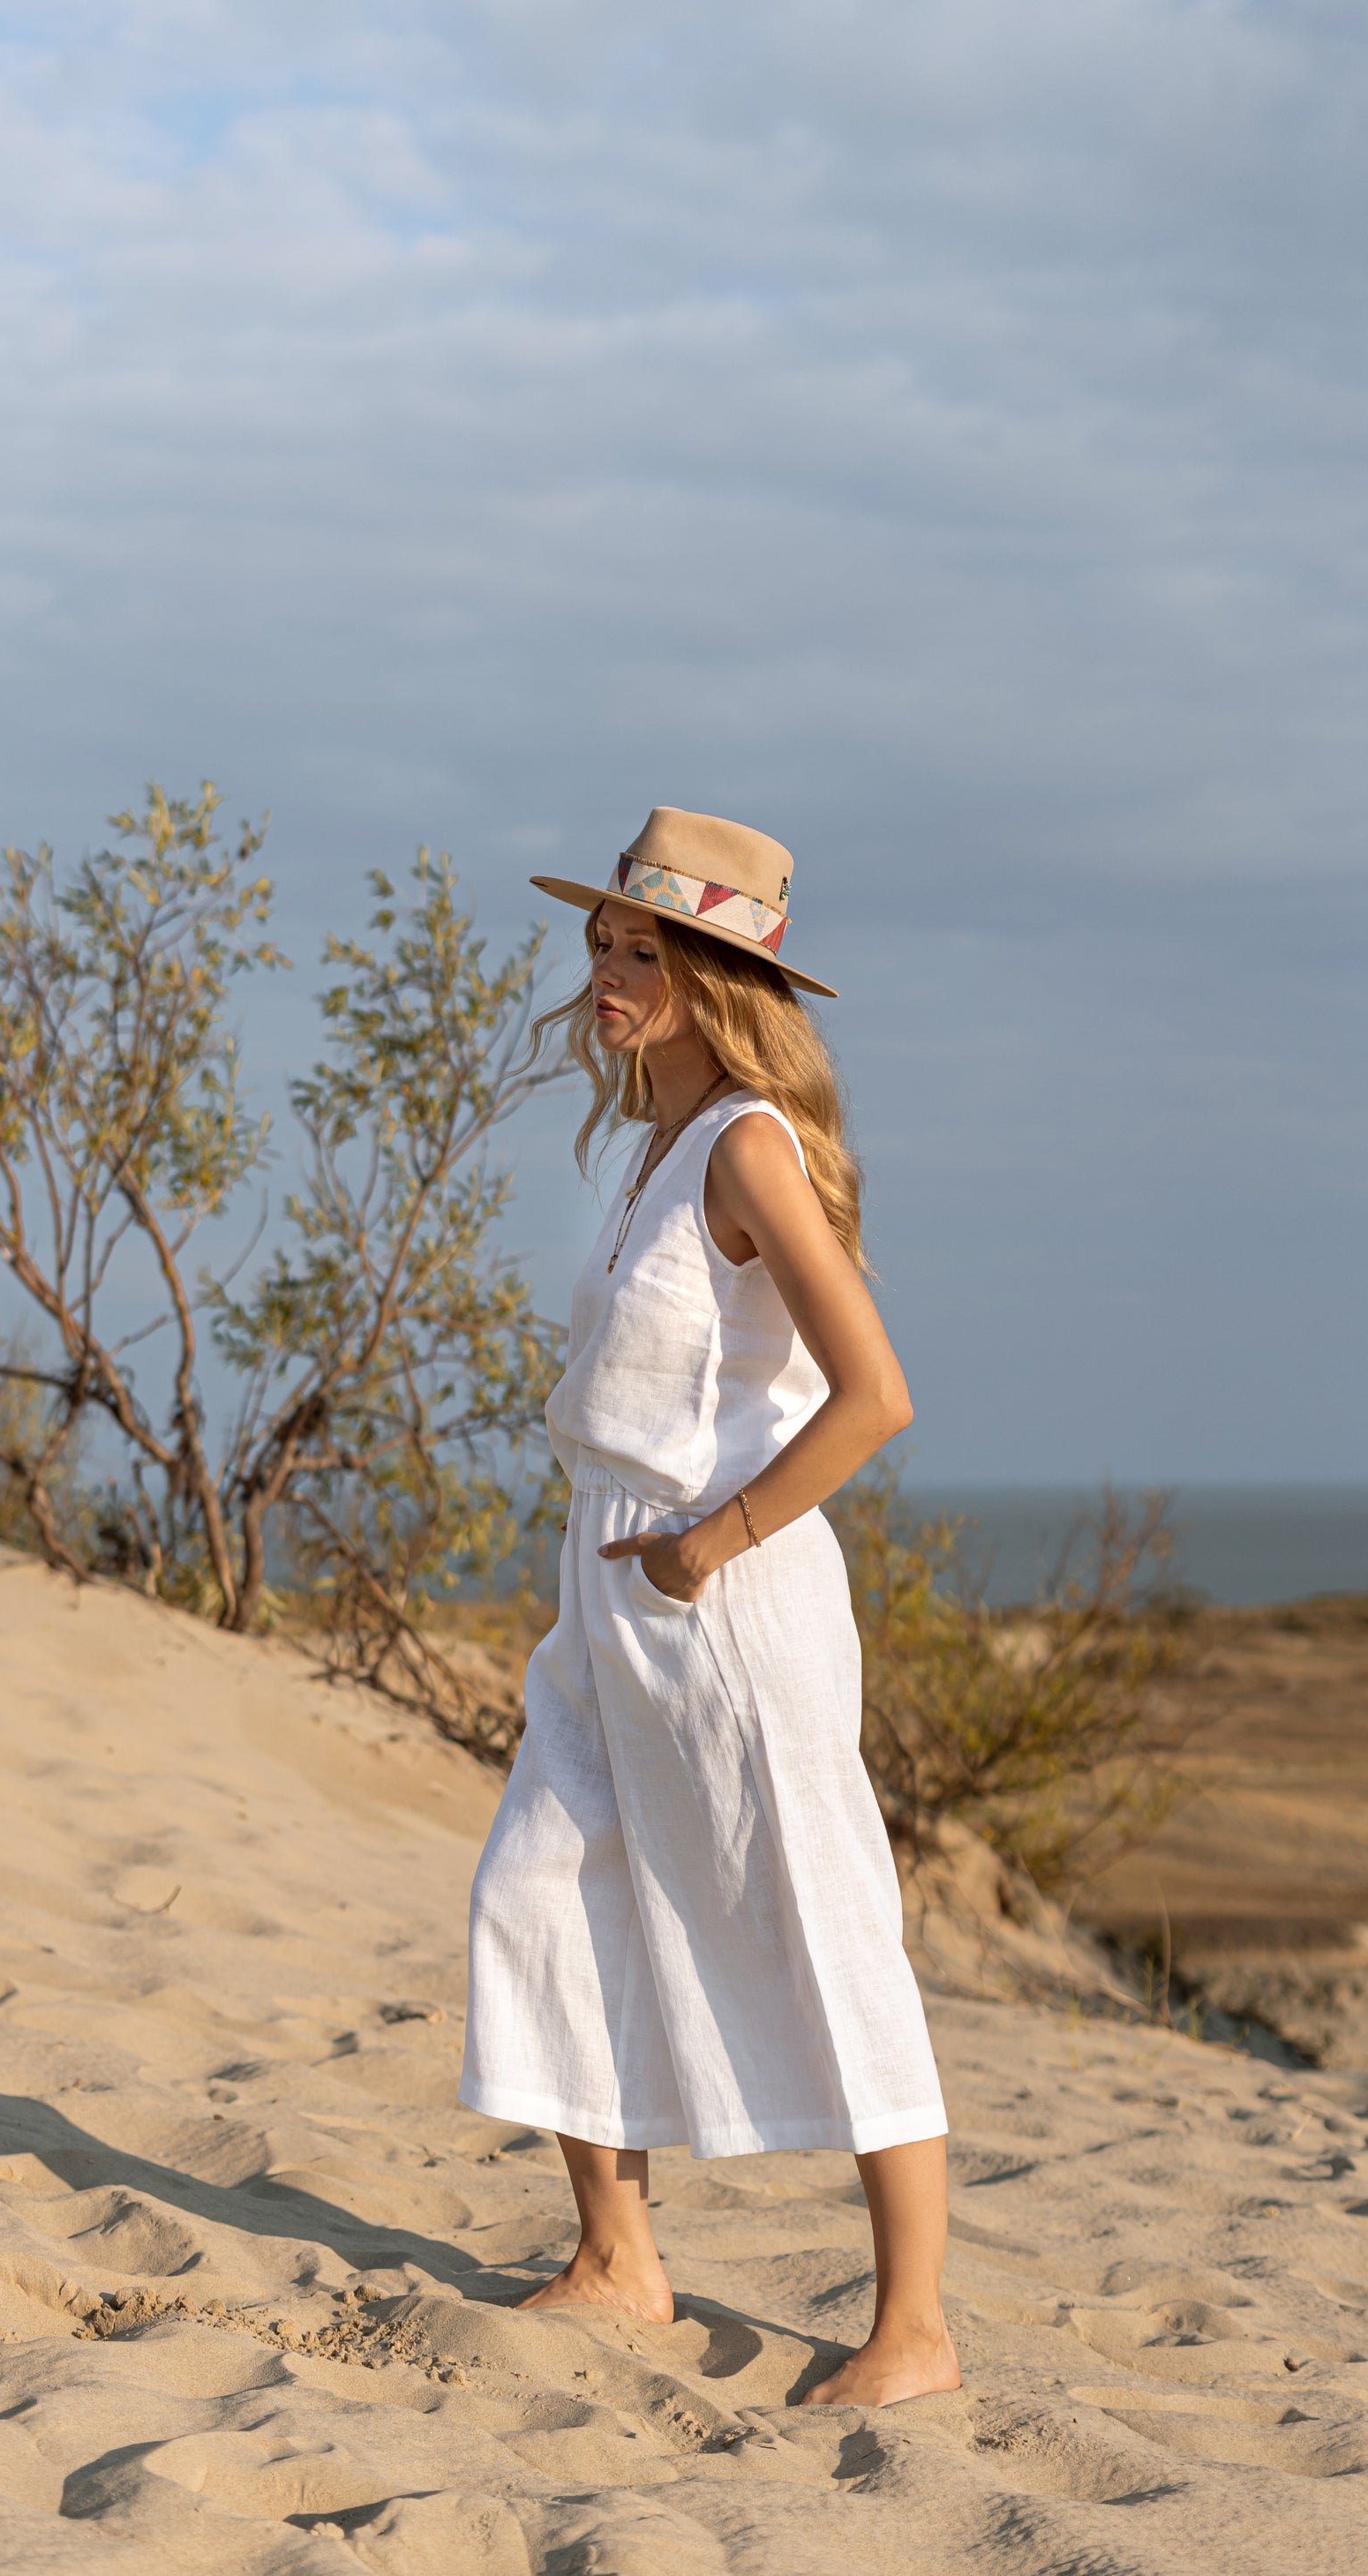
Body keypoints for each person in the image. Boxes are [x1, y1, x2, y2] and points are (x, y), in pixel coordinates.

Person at [460, 807, 958, 2408]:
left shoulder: (747, 1140)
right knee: (543, 1889)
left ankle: (918, 2332)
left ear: (717, 977)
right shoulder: (652, 1148)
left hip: (723, 1601)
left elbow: (874, 1394)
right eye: (604, 941)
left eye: (645, 950)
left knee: (821, 1921)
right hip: (606, 1586)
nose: (609, 970)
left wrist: (708, 1542)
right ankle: (618, 2262)